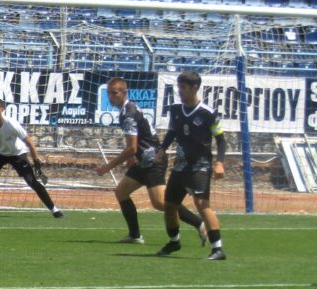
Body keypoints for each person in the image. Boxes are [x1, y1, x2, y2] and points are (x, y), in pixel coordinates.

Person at [94, 76, 206, 245]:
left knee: (161, 203)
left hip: (153, 161)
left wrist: (107, 167)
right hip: (143, 161)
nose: (111, 97)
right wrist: (132, 158)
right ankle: (135, 236)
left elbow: (131, 147)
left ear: (124, 92)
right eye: (108, 93)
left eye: (114, 93)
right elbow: (137, 143)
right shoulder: (127, 109)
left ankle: (200, 224)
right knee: (121, 192)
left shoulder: (128, 114)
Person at [156, 70, 227, 260]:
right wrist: (162, 149)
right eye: (178, 87)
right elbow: (172, 131)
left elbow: (221, 140)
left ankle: (218, 249)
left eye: (183, 87)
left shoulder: (207, 113)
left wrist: (220, 163)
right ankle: (174, 242)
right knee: (169, 204)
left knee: (201, 204)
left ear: (194, 88)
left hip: (200, 166)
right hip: (180, 165)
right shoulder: (175, 109)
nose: (179, 90)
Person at [0, 97, 63, 218]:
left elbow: (30, 143)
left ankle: (54, 210)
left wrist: (37, 164)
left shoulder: (12, 124)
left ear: (2, 109)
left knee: (32, 182)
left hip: (17, 153)